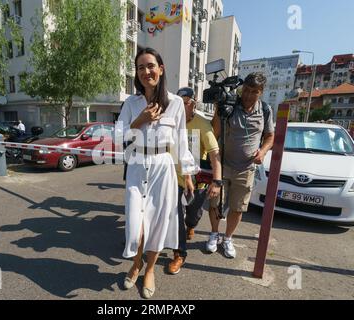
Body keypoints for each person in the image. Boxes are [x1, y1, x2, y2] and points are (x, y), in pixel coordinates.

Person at [117, 48, 197, 299]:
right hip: (138, 164)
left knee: (158, 225)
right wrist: (139, 119)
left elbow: (181, 141)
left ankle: (148, 269)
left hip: (163, 167)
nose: (146, 71)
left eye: (150, 65)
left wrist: (188, 174)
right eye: (140, 67)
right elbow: (118, 138)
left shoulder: (175, 104)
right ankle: (135, 263)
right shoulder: (131, 103)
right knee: (136, 226)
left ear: (161, 69)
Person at [208, 72, 274, 258]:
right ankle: (214, 233)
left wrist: (263, 151)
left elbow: (270, 137)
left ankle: (227, 238)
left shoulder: (266, 110)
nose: (247, 95)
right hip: (224, 165)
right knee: (215, 203)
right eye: (245, 89)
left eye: (253, 91)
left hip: (246, 169)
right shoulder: (230, 105)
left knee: (238, 208)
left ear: (260, 92)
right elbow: (216, 133)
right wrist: (217, 110)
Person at [167, 87, 222, 275]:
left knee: (193, 216)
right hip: (175, 180)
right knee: (176, 217)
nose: (182, 108)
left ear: (194, 104)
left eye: (186, 103)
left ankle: (191, 225)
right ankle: (179, 254)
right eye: (178, 103)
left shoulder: (202, 124)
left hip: (197, 183)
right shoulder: (171, 124)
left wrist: (217, 181)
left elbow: (215, 155)